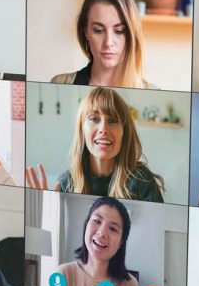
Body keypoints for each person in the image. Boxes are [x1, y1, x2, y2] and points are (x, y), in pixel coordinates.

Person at [26, 86, 164, 202]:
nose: (103, 129)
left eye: (113, 120)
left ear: (124, 132)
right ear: (82, 130)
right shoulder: (66, 183)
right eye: (94, 119)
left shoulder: (142, 181)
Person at [50, 0, 157, 89]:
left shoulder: (153, 92)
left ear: (131, 34)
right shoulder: (61, 85)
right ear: (85, 31)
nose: (108, 43)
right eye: (98, 30)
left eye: (119, 31)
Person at [52, 197, 142, 286]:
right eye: (97, 221)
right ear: (86, 225)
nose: (102, 232)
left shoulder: (130, 285)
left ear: (121, 242)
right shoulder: (63, 274)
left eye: (113, 229)